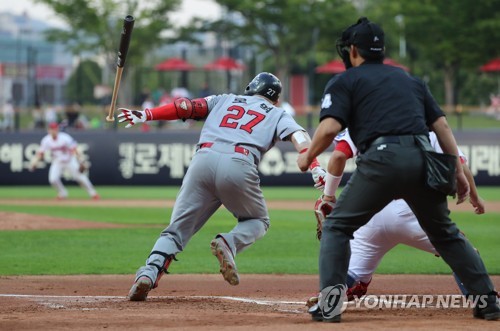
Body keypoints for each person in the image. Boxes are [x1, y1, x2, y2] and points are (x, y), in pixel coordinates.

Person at [297, 17, 499, 322]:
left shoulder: (345, 81)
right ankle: (488, 303)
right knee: (445, 235)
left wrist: (307, 156)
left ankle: (330, 305)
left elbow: (329, 127)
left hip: (381, 160)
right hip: (423, 160)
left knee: (337, 228)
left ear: (353, 50)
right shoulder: (410, 80)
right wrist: (458, 170)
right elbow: (441, 125)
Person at [117, 72, 326, 301]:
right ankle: (229, 242)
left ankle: (148, 273)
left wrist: (146, 114)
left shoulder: (224, 99)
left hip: (203, 159)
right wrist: (315, 166)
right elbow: (300, 136)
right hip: (239, 163)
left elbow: (185, 107)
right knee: (258, 221)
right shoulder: (278, 113)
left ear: (251, 87)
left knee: (175, 230)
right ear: (275, 98)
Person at [311, 129, 484, 303]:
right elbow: (458, 164)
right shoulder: (428, 126)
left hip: (373, 215)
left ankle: (329, 298)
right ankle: (483, 299)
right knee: (464, 251)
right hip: (414, 212)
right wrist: (475, 197)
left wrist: (328, 196)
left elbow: (338, 156)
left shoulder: (364, 121)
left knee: (352, 274)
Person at [29, 122, 100, 200]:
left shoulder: (65, 138)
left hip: (69, 160)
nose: (53, 130)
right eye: (51, 129)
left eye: (55, 129)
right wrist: (34, 162)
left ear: (57, 129)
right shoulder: (46, 140)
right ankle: (63, 193)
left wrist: (81, 161)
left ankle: (93, 193)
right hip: (57, 161)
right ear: (48, 130)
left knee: (79, 177)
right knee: (53, 179)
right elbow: (40, 153)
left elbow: (74, 149)